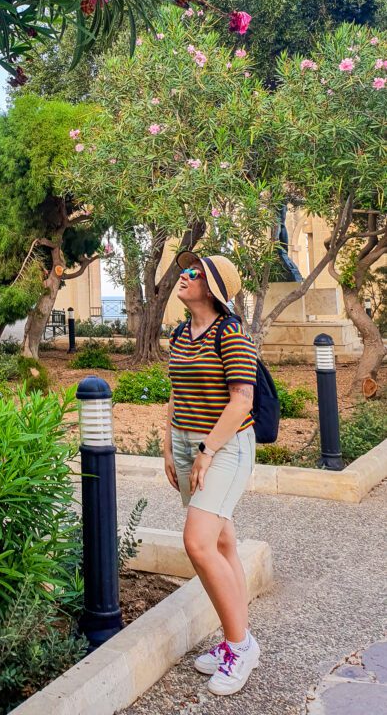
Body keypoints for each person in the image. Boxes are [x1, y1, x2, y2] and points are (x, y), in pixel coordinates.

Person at [163, 250, 260, 696]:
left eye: (193, 273)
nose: (183, 276)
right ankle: (237, 640)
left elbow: (241, 400)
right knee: (222, 541)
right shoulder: (182, 332)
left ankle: (239, 648)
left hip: (223, 447)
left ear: (212, 288)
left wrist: (205, 450)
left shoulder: (231, 333)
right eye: (184, 270)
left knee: (197, 542)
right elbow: (175, 392)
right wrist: (169, 445)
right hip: (188, 444)